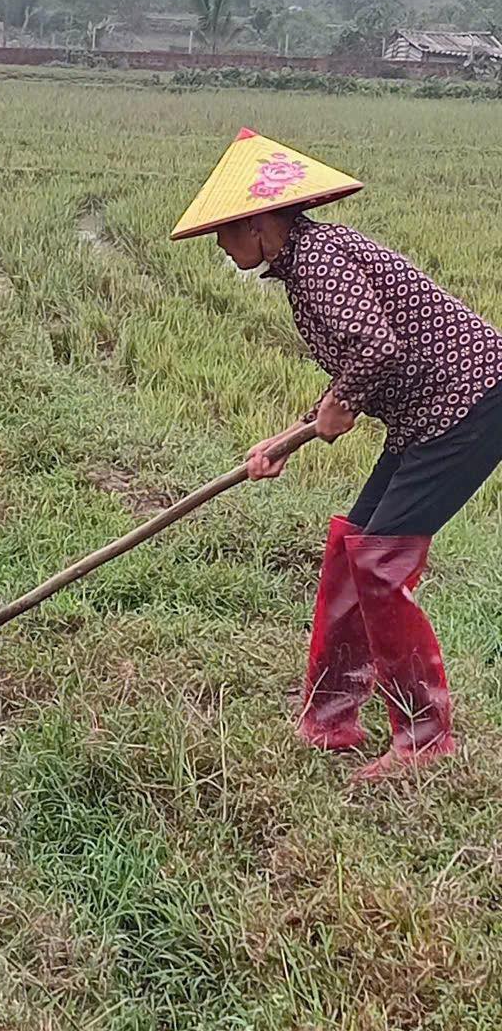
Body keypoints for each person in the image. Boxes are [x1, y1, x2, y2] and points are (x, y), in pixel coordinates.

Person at [172, 127, 502, 782]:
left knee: (379, 563)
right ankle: (331, 719)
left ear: (263, 225)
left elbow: (375, 349)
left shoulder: (318, 260)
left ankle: (425, 740)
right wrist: (293, 433)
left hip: (467, 405)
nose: (220, 244)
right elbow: (364, 358)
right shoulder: (308, 260)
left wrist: (336, 406)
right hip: (424, 415)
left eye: (226, 232)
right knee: (353, 546)